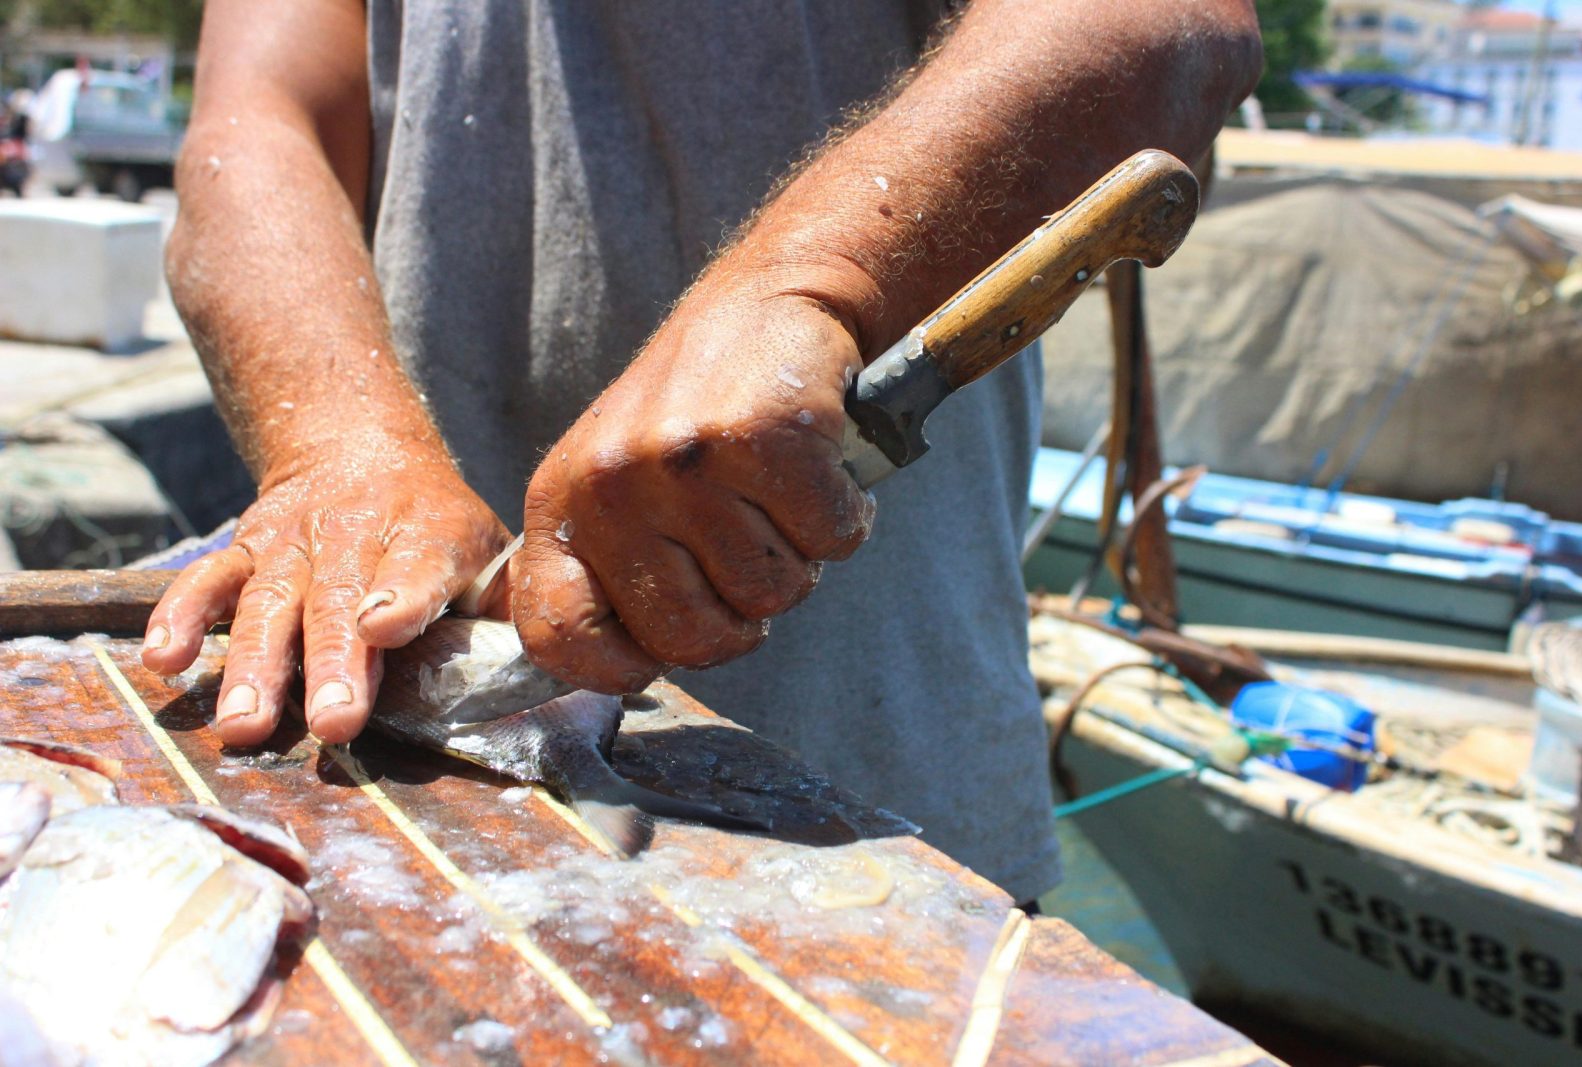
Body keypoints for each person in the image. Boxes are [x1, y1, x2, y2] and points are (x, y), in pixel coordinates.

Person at [142, 0, 1261, 905]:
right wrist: (338, 441)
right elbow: (256, 120)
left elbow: (1161, 22)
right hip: (405, 804)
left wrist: (811, 282)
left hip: (890, 833)